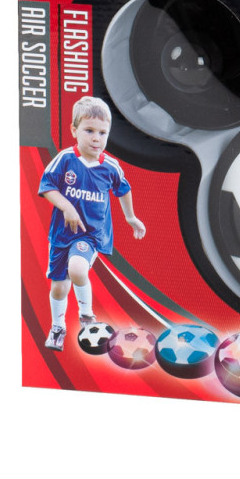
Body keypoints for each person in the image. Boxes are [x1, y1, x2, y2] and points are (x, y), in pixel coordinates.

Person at [39, 96, 146, 351]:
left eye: (102, 132)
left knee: (77, 268)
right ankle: (57, 327)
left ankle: (87, 315)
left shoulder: (110, 166)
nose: (96, 138)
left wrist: (130, 217)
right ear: (74, 130)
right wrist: (67, 207)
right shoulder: (65, 159)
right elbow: (47, 187)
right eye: (89, 131)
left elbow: (123, 189)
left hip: (91, 234)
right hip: (62, 234)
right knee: (59, 287)